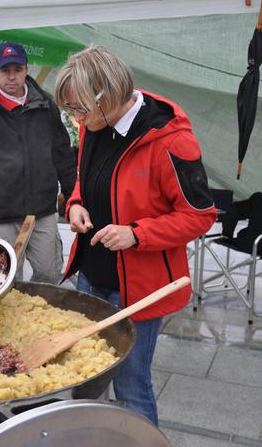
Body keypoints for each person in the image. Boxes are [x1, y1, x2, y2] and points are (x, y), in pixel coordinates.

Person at [54, 45, 217, 425]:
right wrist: (75, 204)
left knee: (131, 386)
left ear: (106, 97)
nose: (76, 119)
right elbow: (86, 178)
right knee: (84, 376)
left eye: (79, 109)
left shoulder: (171, 140)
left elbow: (199, 216)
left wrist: (136, 234)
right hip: (90, 274)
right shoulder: (92, 123)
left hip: (138, 289)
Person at [0, 42, 76, 284]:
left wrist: (73, 197)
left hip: (42, 211)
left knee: (50, 274)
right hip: (0, 217)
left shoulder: (45, 106)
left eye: (17, 69)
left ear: (26, 69)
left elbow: (63, 154)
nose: (11, 77)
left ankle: (41, 321)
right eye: (5, 70)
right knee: (4, 281)